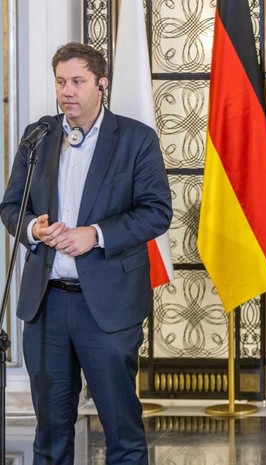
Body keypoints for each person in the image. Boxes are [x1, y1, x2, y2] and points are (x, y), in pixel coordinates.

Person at [0, 42, 172, 464]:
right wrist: (33, 229)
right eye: (61, 81)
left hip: (108, 308)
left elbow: (157, 212)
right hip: (46, 306)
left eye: (77, 81)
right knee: (51, 435)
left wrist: (95, 235)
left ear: (102, 84)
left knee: (122, 432)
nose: (67, 91)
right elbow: (11, 206)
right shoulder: (38, 136)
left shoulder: (135, 139)